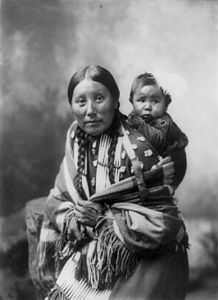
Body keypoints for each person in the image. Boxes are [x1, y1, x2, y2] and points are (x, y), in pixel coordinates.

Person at [41, 65, 188, 300]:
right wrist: (76, 219)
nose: (90, 110)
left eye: (99, 98)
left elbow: (163, 221)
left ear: (116, 101)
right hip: (92, 243)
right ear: (71, 106)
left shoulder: (137, 147)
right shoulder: (75, 139)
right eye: (81, 101)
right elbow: (59, 195)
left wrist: (102, 222)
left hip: (142, 255)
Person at [128, 72, 188, 190]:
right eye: (141, 100)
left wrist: (139, 123)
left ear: (166, 105)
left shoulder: (163, 122)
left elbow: (158, 140)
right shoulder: (138, 118)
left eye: (155, 101)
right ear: (132, 102)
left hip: (173, 170)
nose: (148, 106)